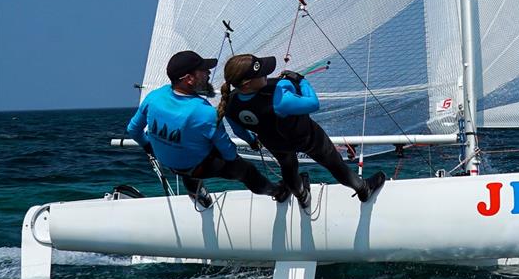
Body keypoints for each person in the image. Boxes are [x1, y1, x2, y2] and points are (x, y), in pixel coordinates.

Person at [216, 54, 386, 209]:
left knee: (288, 168)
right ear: (247, 83)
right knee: (333, 163)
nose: (266, 75)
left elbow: (240, 132)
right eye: (262, 74)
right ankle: (363, 189)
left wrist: (252, 142)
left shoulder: (229, 103)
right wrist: (301, 81)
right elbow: (313, 103)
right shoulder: (279, 96)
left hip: (274, 143)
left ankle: (302, 196)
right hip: (306, 137)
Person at [127, 50, 286, 207]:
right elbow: (230, 154)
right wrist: (251, 140)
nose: (208, 73)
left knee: (187, 148)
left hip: (168, 162)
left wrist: (149, 147)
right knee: (246, 170)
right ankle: (278, 192)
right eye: (203, 71)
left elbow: (133, 130)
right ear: (189, 79)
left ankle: (197, 194)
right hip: (195, 166)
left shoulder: (154, 96)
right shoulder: (205, 113)